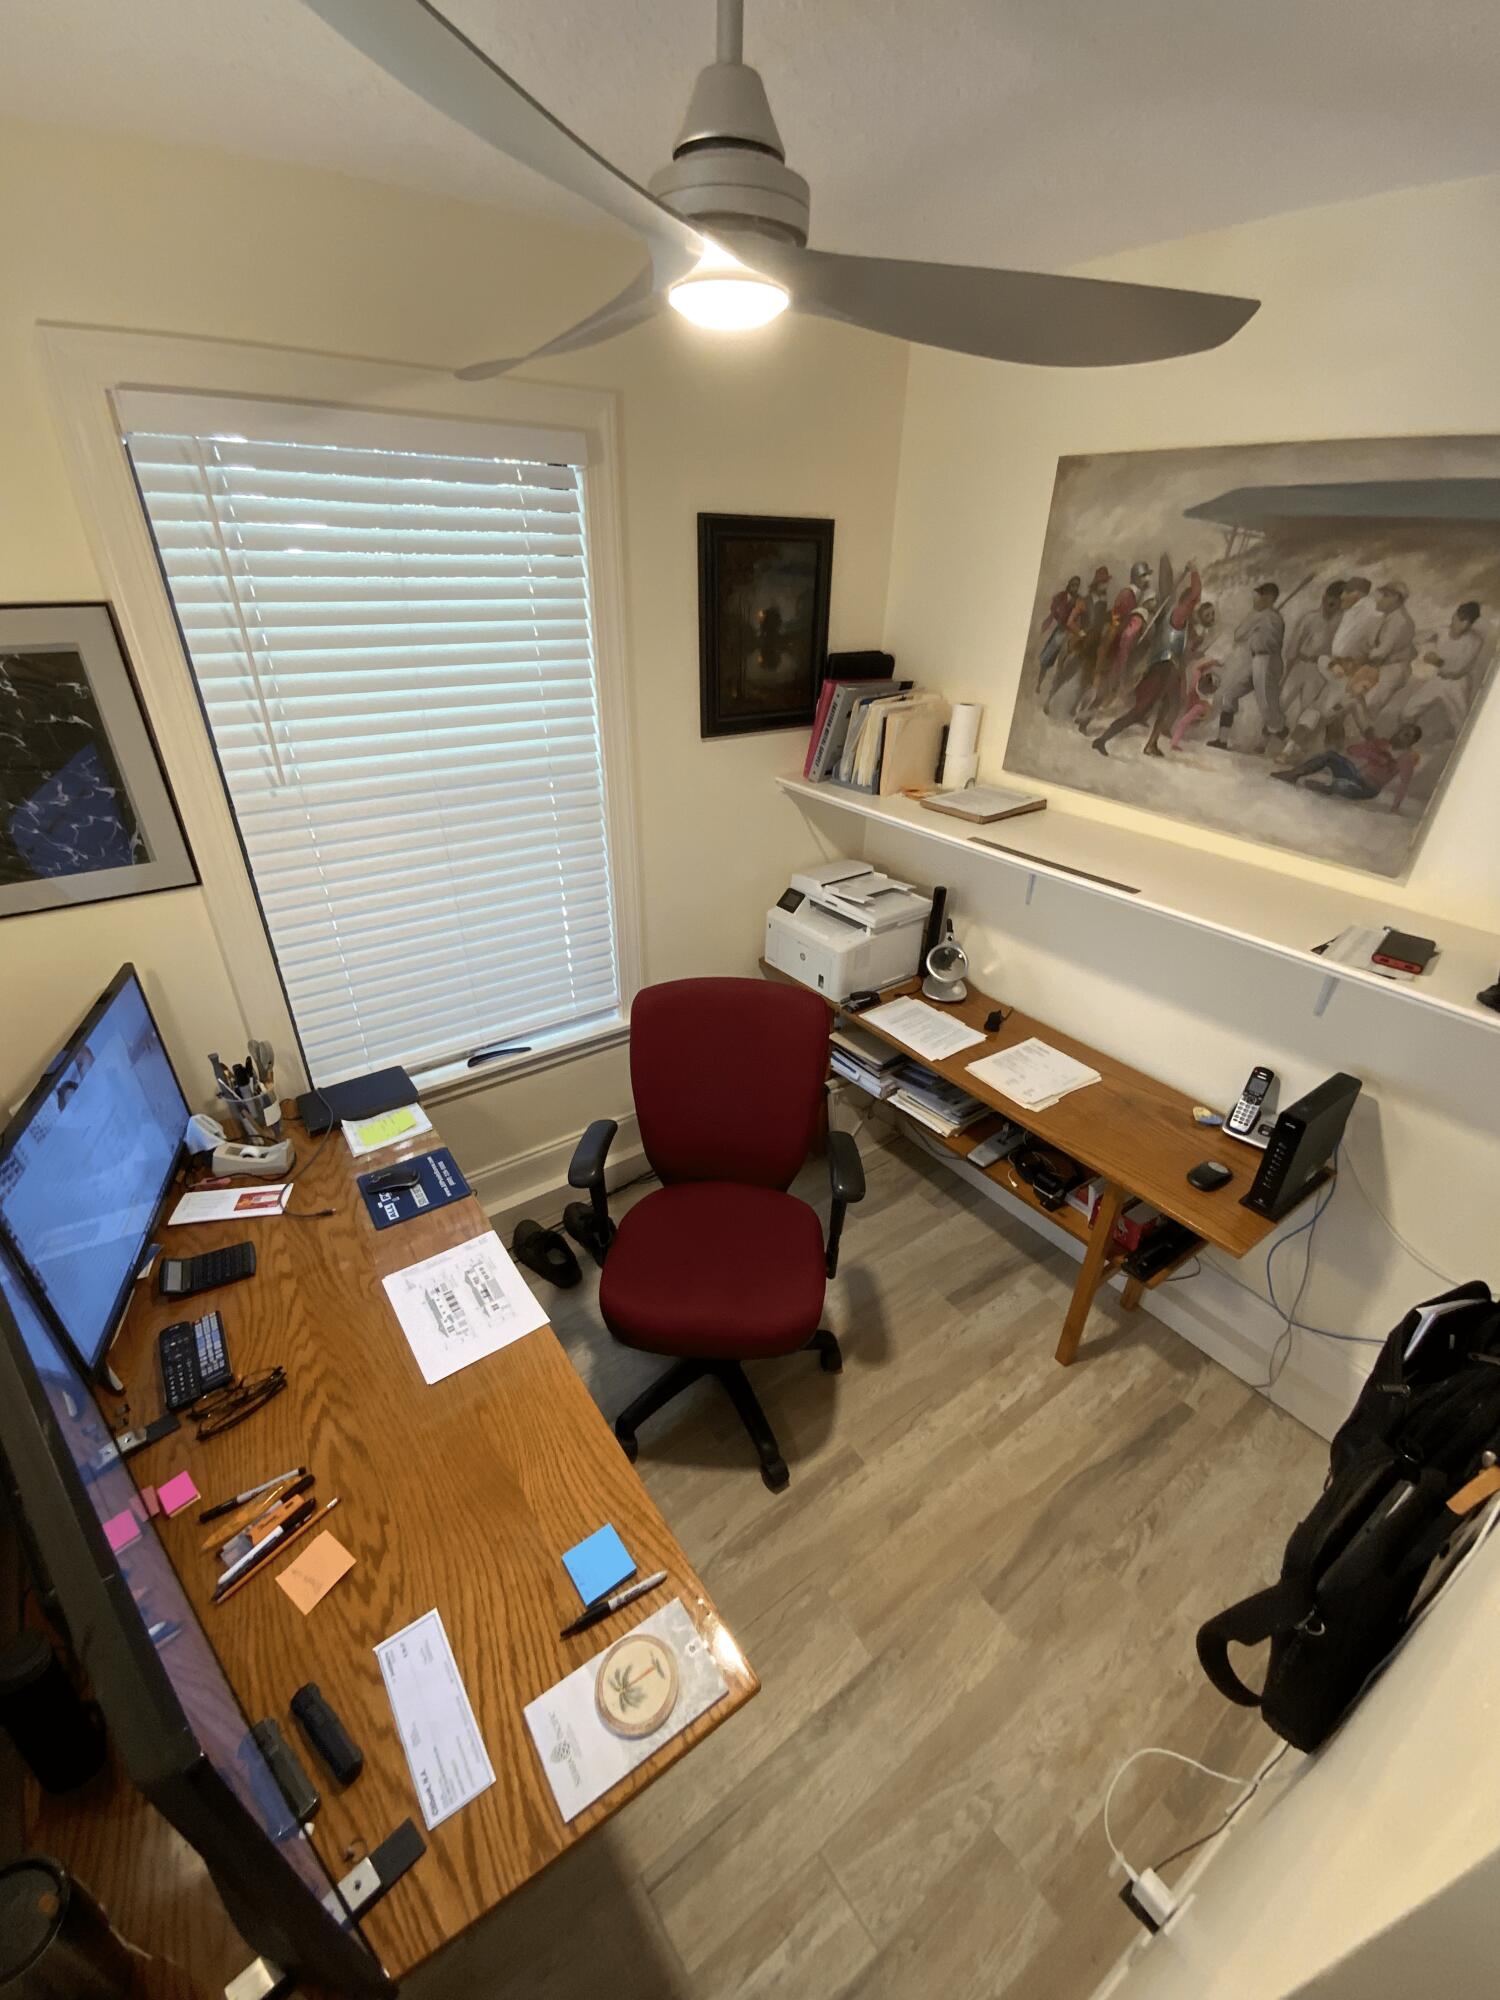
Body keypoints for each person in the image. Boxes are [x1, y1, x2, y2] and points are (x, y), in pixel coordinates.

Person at [1272, 722, 1424, 811]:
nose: (1400, 735)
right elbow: (1353, 749)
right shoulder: (1383, 744)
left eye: (1407, 735)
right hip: (1355, 776)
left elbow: (1404, 783)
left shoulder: (1406, 758)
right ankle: (1293, 775)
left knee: (1343, 786)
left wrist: (1395, 808)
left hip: (1367, 789)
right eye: (1401, 731)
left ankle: (1331, 788)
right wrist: (1375, 754)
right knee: (1331, 756)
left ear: (1412, 741)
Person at [1208, 581, 1286, 749]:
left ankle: (1287, 740)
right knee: (1230, 695)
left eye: (1258, 597)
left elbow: (1240, 635)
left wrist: (1256, 620)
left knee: (1267, 708)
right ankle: (1222, 740)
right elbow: (1240, 635)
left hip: (1267, 661)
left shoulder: (1268, 617)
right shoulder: (1266, 616)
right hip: (1257, 660)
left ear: (1268, 598)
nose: (1254, 601)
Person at [1399, 600, 1485, 740]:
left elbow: (1457, 669)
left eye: (1467, 622)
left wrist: (1436, 661)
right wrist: (1421, 650)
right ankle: (1403, 739)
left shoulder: (1474, 641)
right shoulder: (1441, 631)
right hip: (1439, 679)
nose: (1462, 625)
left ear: (1471, 624)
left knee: (1462, 722)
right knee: (1409, 710)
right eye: (1460, 619)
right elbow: (1417, 639)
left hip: (1458, 684)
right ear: (1454, 616)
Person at [1044, 567, 1111, 715]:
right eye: (1104, 583)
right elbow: (1070, 621)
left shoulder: (1104, 602)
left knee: (1087, 679)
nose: (1106, 586)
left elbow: (1101, 620)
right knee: (1066, 673)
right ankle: (1049, 699)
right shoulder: (1084, 601)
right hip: (1082, 642)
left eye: (1106, 582)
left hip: (1095, 644)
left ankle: (1074, 708)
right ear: (1097, 584)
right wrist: (1080, 632)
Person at [1280, 580, 1344, 721]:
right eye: (1329, 600)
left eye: (1336, 603)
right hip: (1300, 665)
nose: (1331, 605)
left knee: (1307, 709)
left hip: (1319, 670)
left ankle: (1292, 741)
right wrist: (1288, 669)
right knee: (1281, 703)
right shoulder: (1309, 618)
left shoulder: (1342, 622)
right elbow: (1294, 645)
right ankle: (1262, 741)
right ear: (1324, 598)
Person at [1365, 580, 1417, 720]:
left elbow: (1381, 652)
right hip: (1386, 668)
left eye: (1385, 595)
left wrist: (1363, 655)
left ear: (1395, 598)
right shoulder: (1391, 617)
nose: (1380, 599)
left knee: (1367, 708)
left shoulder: (1399, 620)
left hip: (1391, 671)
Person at [1036, 574, 1082, 690]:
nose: (1075, 588)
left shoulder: (1078, 600)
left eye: (1077, 586)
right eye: (1073, 585)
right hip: (1061, 629)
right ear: (1069, 585)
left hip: (1070, 631)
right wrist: (1059, 616)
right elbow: (1054, 608)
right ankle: (1039, 684)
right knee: (1047, 657)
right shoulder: (1062, 596)